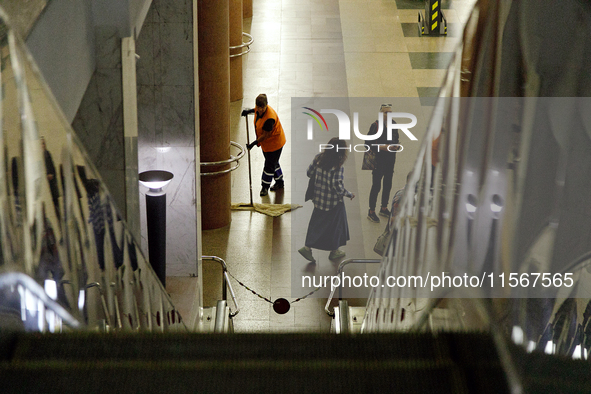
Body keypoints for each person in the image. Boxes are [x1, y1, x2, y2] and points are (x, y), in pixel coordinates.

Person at [298, 138, 355, 263]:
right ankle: (335, 251)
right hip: (333, 202)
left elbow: (309, 173)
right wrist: (349, 194)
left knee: (316, 223)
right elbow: (337, 187)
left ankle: (307, 247)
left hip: (318, 199)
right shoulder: (337, 166)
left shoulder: (319, 158)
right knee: (337, 226)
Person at [241, 94, 286, 196]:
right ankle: (280, 182)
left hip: (275, 144)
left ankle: (264, 187)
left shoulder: (269, 118)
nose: (260, 110)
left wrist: (253, 143)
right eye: (258, 107)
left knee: (269, 166)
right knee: (273, 162)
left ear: (267, 105)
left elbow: (265, 135)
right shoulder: (258, 109)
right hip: (268, 145)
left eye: (263, 107)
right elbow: (256, 110)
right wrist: (249, 111)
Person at [366, 104, 399, 223]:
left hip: (390, 160)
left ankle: (384, 207)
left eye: (390, 112)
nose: (388, 115)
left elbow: (396, 139)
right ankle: (371, 211)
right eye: (385, 112)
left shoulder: (394, 124)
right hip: (378, 161)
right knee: (376, 186)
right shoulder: (375, 126)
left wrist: (396, 146)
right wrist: (382, 147)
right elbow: (367, 144)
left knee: (387, 184)